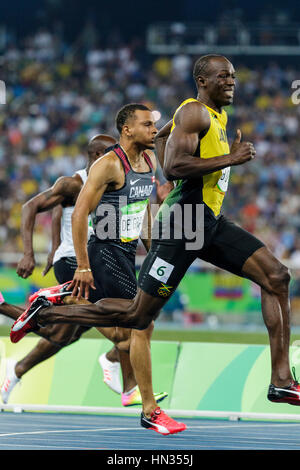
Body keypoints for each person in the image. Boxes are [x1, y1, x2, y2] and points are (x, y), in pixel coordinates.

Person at [10, 103, 185, 435]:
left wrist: (153, 254)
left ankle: (47, 308)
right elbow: (78, 214)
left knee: (122, 335)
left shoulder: (149, 162)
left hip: (126, 253)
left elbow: (142, 214)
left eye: (154, 125)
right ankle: (148, 408)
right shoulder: (108, 165)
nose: (153, 130)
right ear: (127, 129)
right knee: (141, 325)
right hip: (104, 252)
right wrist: (84, 266)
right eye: (147, 125)